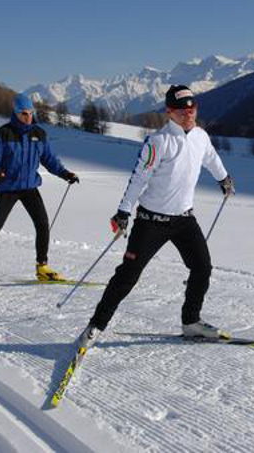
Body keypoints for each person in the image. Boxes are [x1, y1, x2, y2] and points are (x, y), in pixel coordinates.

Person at [76, 84, 234, 349]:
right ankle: (95, 327)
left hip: (184, 219)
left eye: (192, 108)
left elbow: (211, 158)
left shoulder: (201, 137)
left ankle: (191, 322)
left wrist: (224, 178)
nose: (189, 114)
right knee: (128, 276)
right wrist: (124, 211)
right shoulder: (158, 141)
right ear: (169, 112)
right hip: (152, 221)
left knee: (202, 268)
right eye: (182, 110)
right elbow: (139, 179)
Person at [0, 93, 79, 289]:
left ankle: (42, 267)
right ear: (16, 113)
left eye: (30, 113)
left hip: (29, 187)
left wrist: (65, 174)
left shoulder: (39, 134)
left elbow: (49, 160)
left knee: (43, 224)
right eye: (23, 113)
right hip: (8, 188)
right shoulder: (4, 133)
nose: (28, 117)